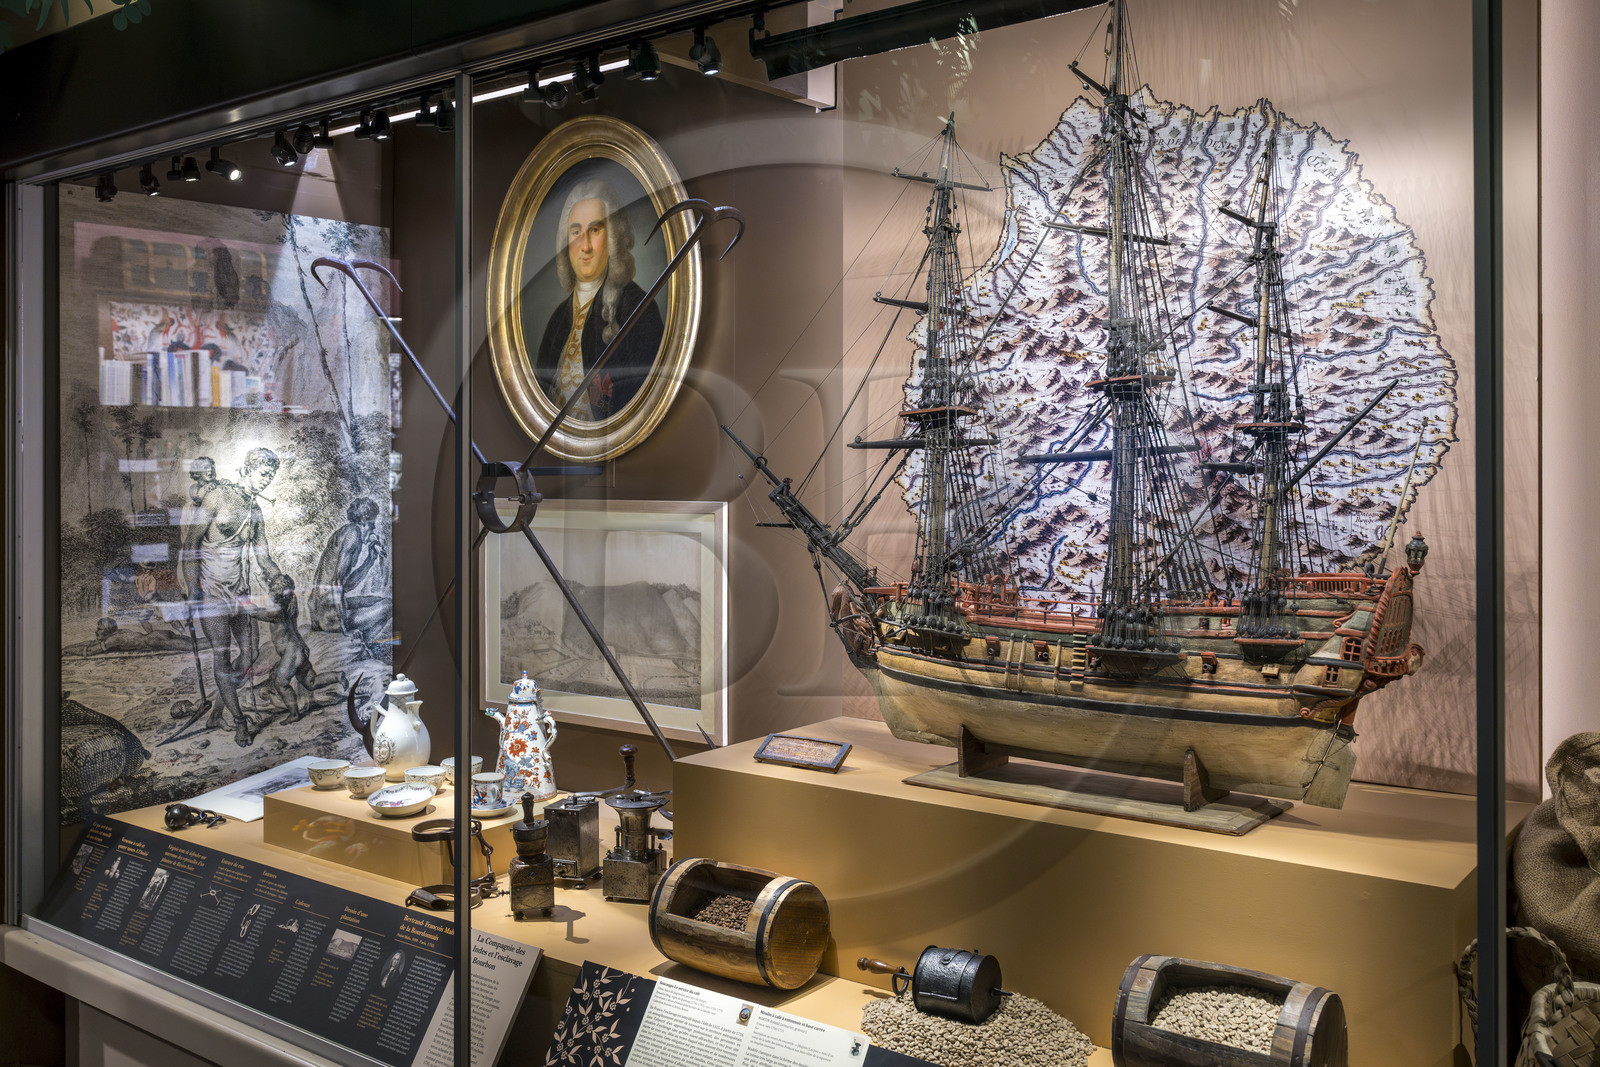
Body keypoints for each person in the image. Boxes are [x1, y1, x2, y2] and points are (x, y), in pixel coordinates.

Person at [534, 179, 664, 422]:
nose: (585, 246)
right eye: (576, 232)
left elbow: (640, 406)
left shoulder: (638, 310)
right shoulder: (558, 319)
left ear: (613, 235)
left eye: (595, 230)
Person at [179, 448, 283, 747]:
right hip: (211, 593)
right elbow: (191, 544)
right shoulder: (218, 497)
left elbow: (264, 559)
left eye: (271, 476)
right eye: (263, 473)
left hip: (238, 592)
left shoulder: (256, 511)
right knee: (222, 658)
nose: (266, 480)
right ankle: (239, 721)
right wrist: (193, 591)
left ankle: (219, 707)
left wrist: (277, 578)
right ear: (248, 468)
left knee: (249, 654)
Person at [308, 498, 387, 639]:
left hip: (320, 611)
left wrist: (370, 560)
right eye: (372, 522)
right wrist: (345, 628)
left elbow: (347, 585)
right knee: (388, 605)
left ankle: (361, 641)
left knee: (375, 600)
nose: (374, 527)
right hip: (329, 617)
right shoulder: (353, 534)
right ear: (363, 519)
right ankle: (362, 644)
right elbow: (337, 583)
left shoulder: (346, 532)